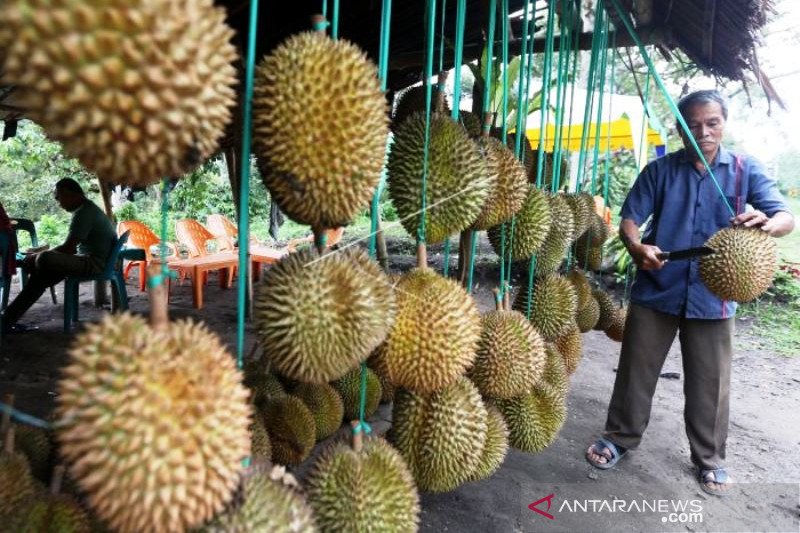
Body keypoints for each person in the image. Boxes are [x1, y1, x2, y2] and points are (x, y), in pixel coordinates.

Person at [584, 90, 795, 495]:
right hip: (659, 286)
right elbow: (631, 218)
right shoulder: (659, 171)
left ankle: (710, 458)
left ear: (724, 123)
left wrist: (768, 221)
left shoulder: (744, 169)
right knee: (636, 371)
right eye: (693, 125)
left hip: (713, 297)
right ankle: (619, 438)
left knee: (711, 382)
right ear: (681, 129)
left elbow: (784, 216)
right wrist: (635, 246)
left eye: (712, 123)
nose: (704, 132)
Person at [1, 178, 116, 332]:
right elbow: (71, 249)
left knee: (44, 259)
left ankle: (7, 319)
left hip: (94, 263)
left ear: (69, 194)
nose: (58, 203)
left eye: (58, 197)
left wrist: (37, 256)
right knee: (40, 275)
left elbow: (68, 249)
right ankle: (7, 319)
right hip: (90, 260)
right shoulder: (86, 210)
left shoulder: (84, 213)